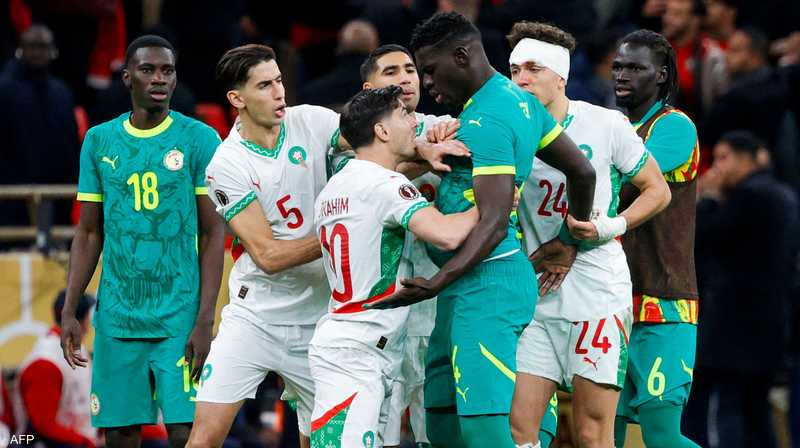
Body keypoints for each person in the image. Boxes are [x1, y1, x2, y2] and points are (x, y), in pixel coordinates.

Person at [188, 44, 463, 448]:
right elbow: (268, 255)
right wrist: (350, 224)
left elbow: (374, 145)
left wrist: (424, 146)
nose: (279, 92)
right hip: (256, 316)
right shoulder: (226, 164)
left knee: (320, 442)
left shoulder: (311, 120)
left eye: (279, 80)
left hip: (320, 318)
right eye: (264, 85)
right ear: (237, 98)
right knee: (205, 436)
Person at [369, 12, 597, 448]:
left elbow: (492, 224)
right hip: (465, 285)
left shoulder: (487, 120)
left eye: (430, 70)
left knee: (483, 433)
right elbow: (582, 172)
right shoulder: (516, 102)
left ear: (461, 56)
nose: (427, 83)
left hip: (486, 283)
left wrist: (438, 281)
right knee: (442, 426)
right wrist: (569, 238)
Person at [506, 22, 671, 448]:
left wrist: (610, 226)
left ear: (560, 76)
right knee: (518, 429)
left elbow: (658, 190)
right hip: (536, 297)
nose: (521, 79)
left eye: (532, 69)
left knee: (591, 433)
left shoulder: (605, 124)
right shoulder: (507, 130)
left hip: (597, 296)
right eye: (514, 70)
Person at [61, 34, 225, 448]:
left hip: (179, 317)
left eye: (167, 70)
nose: (159, 78)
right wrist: (70, 308)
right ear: (127, 76)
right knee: (120, 435)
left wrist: (205, 319)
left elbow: (213, 232)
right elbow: (89, 232)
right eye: (148, 69)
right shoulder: (99, 141)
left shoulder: (200, 139)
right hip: (118, 317)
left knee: (189, 433)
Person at [309, 85, 479, 448]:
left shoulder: (335, 187)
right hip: (358, 350)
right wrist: (494, 203)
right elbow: (446, 235)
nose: (415, 122)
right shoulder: (385, 184)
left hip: (357, 343)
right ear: (382, 131)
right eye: (404, 114)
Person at [358, 43, 455, 448]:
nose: (404, 79)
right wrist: (423, 155)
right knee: (377, 435)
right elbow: (371, 168)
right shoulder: (354, 142)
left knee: (438, 434)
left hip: (439, 306)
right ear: (369, 89)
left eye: (410, 70)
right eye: (391, 72)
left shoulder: (447, 127)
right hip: (381, 312)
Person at [610, 29, 701, 448]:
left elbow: (628, 179)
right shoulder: (614, 128)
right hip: (611, 301)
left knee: (661, 435)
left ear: (662, 75)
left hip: (664, 301)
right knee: (601, 432)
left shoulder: (674, 127)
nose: (621, 75)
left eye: (635, 67)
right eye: (618, 66)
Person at [686, 131, 798, 448]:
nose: (716, 168)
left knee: (726, 412)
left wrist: (708, 199)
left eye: (723, 158)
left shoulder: (747, 197)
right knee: (758, 415)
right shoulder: (785, 195)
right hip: (772, 327)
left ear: (749, 158)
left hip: (733, 331)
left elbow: (705, 239)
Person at [0, 24, 79, 239]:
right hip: (12, 193)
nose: (37, 53)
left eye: (42, 47)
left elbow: (71, 143)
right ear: (21, 49)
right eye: (32, 46)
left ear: (53, 50)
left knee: (53, 245)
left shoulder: (62, 92)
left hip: (56, 192)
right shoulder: (4, 91)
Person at [19, 291, 97, 448]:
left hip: (82, 438)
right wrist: (85, 443)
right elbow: (43, 426)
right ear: (80, 320)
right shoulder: (45, 363)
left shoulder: (77, 348)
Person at [661, 0, 727, 119]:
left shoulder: (711, 55)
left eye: (676, 14)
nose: (667, 19)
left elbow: (720, 102)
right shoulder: (655, 49)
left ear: (694, 20)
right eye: (667, 12)